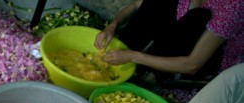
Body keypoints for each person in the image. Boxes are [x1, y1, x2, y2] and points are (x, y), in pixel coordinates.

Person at [94, 0, 243, 81]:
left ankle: (158, 75)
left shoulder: (232, 5)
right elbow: (136, 5)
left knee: (198, 16)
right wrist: (112, 25)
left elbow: (193, 64)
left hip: (201, 64)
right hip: (173, 35)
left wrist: (134, 56)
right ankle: (126, 56)